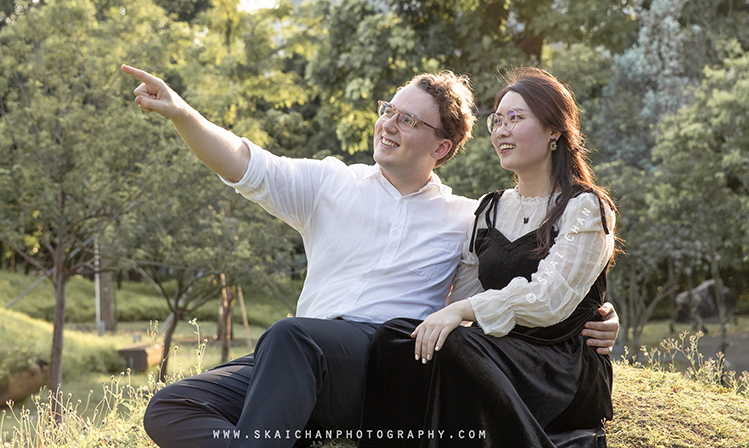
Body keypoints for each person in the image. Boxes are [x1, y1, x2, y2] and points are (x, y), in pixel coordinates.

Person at [120, 64, 620, 448]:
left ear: (441, 147)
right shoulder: (329, 182)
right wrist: (184, 114)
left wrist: (594, 317)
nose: (389, 124)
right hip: (298, 357)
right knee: (171, 406)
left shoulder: (462, 217)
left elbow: (512, 288)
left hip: (379, 363)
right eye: (388, 110)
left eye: (407, 119)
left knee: (291, 334)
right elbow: (244, 163)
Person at [360, 67, 618, 448]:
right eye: (497, 120)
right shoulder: (489, 210)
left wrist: (462, 312)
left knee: (459, 346)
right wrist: (455, 313)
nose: (501, 130)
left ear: (554, 131)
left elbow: (549, 299)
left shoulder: (584, 206)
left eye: (516, 118)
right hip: (497, 353)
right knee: (395, 337)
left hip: (560, 367)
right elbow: (466, 289)